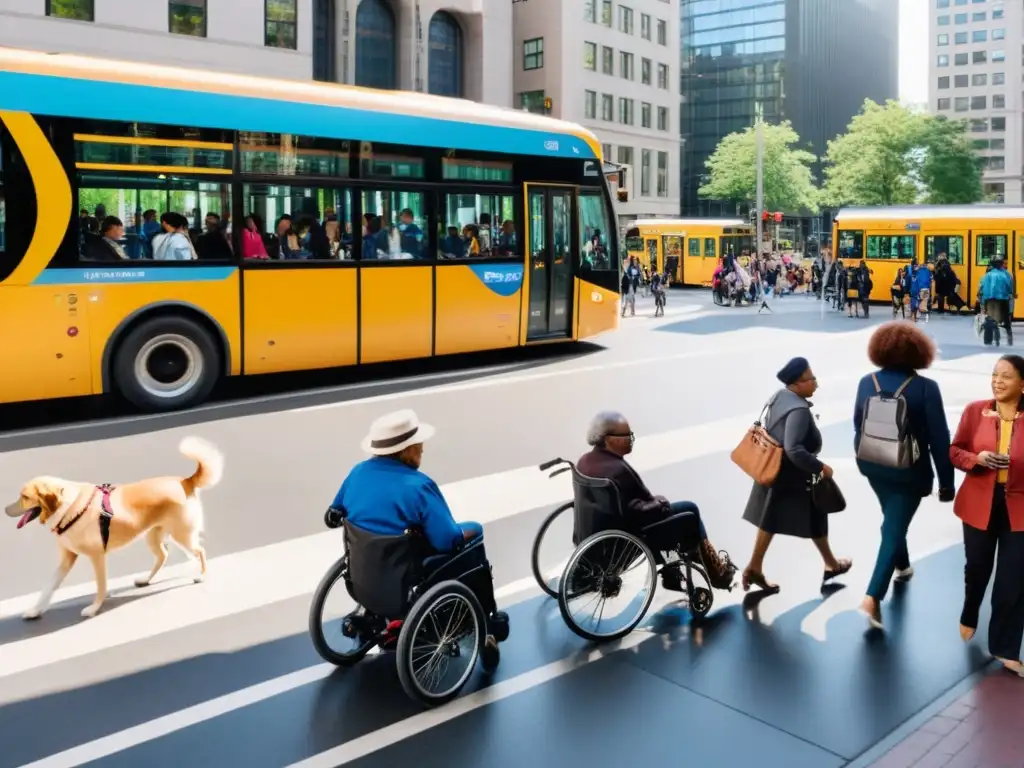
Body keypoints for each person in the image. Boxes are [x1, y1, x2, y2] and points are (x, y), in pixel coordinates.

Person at [330, 410, 508, 646]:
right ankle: (487, 619)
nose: (423, 449)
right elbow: (447, 540)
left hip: (363, 575)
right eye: (419, 444)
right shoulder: (418, 486)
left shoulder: (357, 472)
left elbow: (334, 512)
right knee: (473, 533)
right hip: (403, 579)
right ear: (407, 450)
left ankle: (371, 616)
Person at [854, 322, 954, 629]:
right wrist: (947, 483)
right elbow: (939, 439)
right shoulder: (925, 388)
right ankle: (872, 597)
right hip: (909, 469)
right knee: (894, 525)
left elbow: (859, 424)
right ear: (918, 352)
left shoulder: (866, 381)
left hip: (871, 463)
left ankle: (903, 565)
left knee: (893, 517)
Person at [577, 411, 737, 590]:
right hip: (630, 537)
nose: (631, 439)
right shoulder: (618, 470)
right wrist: (660, 503)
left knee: (675, 518)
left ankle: (676, 568)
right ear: (609, 439)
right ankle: (715, 572)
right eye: (626, 435)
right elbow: (639, 511)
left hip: (597, 534)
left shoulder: (585, 461)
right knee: (690, 511)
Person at [742, 357, 852, 592]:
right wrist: (821, 467)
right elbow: (794, 449)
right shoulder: (799, 410)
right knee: (788, 517)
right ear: (796, 384)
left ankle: (830, 563)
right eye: (811, 379)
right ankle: (754, 567)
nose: (816, 383)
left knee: (805, 516)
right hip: (791, 475)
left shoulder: (779, 397)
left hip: (773, 467)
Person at [949, 355, 1024, 677]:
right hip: (979, 501)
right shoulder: (974, 411)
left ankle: (1005, 649)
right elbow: (955, 450)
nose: (997, 381)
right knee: (977, 568)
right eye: (995, 374)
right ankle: (970, 611)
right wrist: (976, 458)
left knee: (1013, 581)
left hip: (1019, 508)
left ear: (1023, 384)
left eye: (1006, 376)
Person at [979, 257, 1015, 346]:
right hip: (1002, 299)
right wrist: (1010, 293)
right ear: (1001, 264)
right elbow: (1009, 287)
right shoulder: (1005, 274)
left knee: (990, 319)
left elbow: (981, 288)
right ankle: (1009, 337)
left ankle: (989, 340)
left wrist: (983, 302)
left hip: (989, 300)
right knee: (1006, 318)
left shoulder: (986, 275)